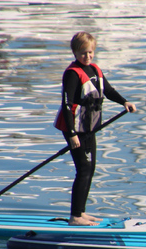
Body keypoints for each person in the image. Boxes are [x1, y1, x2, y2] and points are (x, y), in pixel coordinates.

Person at [55, 31, 137, 226]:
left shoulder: (95, 70)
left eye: (90, 52)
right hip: (74, 129)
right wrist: (72, 134)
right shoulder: (72, 74)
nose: (88, 56)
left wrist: (124, 101)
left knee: (90, 169)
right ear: (75, 52)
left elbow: (108, 91)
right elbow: (66, 105)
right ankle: (75, 216)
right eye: (83, 53)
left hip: (89, 128)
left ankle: (81, 212)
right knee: (83, 169)